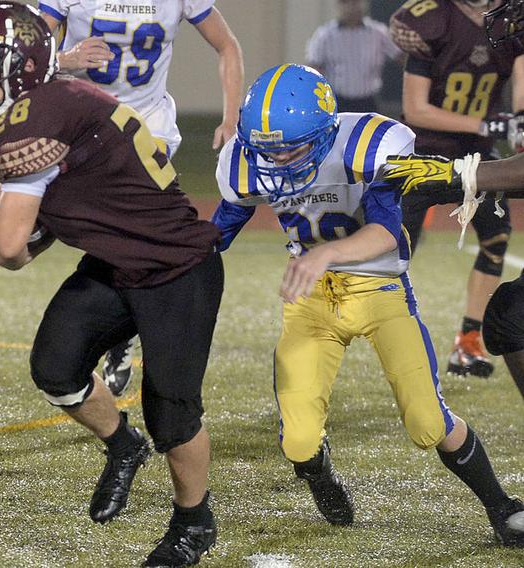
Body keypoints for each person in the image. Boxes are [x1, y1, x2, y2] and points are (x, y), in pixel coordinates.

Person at [0, 3, 224, 566]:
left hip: (174, 270)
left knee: (172, 413)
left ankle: (194, 520)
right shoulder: (63, 100)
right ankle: (123, 444)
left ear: (18, 64)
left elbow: (8, 248)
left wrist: (10, 229)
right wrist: (3, 218)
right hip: (117, 262)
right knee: (55, 365)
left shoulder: (35, 116)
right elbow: (1, 209)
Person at [214, 63, 524, 546]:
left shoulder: (366, 145)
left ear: (324, 132)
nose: (277, 160)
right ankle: (319, 473)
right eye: (266, 150)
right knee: (297, 442)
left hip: (379, 291)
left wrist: (328, 253)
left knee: (427, 422)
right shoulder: (248, 161)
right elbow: (218, 232)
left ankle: (502, 507)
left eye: (289, 147)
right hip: (312, 302)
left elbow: (386, 231)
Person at [37, 0, 243, 398]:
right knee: (91, 230)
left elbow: (227, 45)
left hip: (148, 126)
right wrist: (65, 58)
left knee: (137, 229)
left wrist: (230, 117)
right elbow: (27, 54)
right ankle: (119, 329)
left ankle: (121, 332)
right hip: (81, 123)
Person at [389, 0, 524, 378]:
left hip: (476, 158)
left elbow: (520, 74)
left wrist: (519, 120)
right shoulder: (432, 19)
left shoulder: (508, 20)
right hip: (423, 157)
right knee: (391, 255)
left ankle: (467, 342)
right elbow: (415, 109)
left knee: (496, 239)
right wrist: (486, 125)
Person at [305, 0, 402, 113]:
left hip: (369, 101)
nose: (351, 7)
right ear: (338, 5)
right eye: (345, 2)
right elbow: (314, 68)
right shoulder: (325, 35)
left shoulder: (378, 32)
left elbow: (401, 57)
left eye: (355, 2)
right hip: (337, 101)